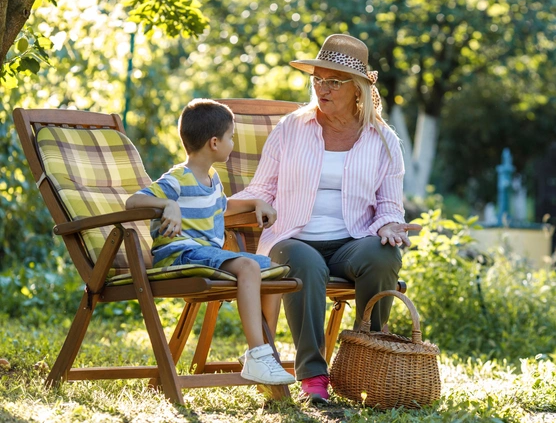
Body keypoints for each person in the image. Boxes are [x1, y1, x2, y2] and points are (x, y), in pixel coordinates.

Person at [232, 34, 421, 402]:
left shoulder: (383, 139)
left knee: (383, 256)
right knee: (306, 264)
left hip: (352, 242)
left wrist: (388, 225)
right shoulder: (291, 128)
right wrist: (214, 204)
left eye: (334, 81)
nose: (323, 87)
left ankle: (368, 361)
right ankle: (313, 377)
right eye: (318, 79)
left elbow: (388, 205)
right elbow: (262, 189)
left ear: (358, 89)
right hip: (292, 239)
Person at [125, 99, 295, 386]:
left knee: (273, 268)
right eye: (231, 137)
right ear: (214, 143)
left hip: (204, 254)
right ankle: (258, 353)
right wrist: (168, 204)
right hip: (179, 254)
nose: (233, 142)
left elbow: (221, 207)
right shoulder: (178, 178)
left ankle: (265, 351)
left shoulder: (212, 179)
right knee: (248, 266)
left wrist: (255, 201)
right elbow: (133, 201)